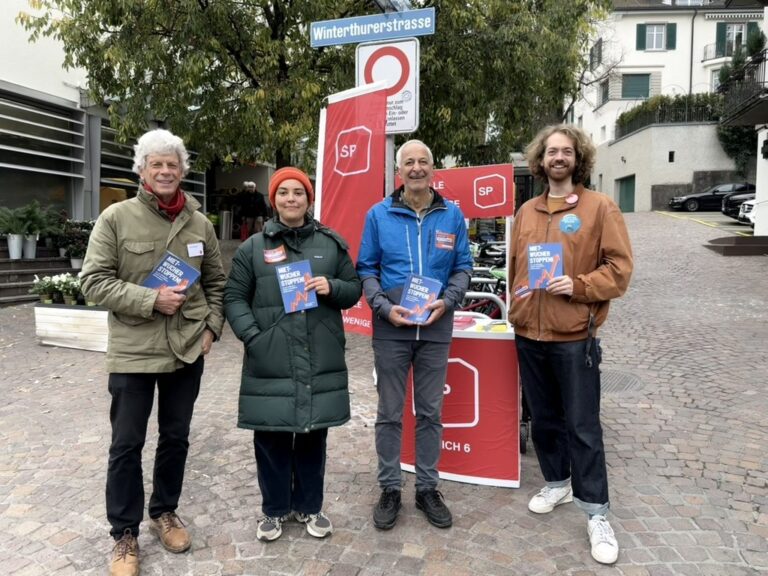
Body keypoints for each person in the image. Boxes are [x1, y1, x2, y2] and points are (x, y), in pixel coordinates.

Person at [80, 129, 226, 576]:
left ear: (182, 170)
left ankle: (164, 511)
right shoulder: (116, 218)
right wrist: (150, 299)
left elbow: (216, 282)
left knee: (176, 437)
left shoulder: (200, 224)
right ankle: (124, 533)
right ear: (141, 170)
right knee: (127, 444)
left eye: (172, 164)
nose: (165, 171)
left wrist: (211, 329)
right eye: (156, 164)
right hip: (134, 351)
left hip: (186, 349)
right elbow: (93, 282)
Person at [508, 124, 633, 565]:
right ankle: (557, 483)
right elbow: (516, 268)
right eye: (551, 151)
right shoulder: (527, 211)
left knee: (582, 426)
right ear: (540, 160)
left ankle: (596, 512)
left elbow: (619, 270)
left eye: (566, 151)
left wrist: (578, 286)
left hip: (575, 337)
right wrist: (516, 306)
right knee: (544, 421)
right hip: (529, 334)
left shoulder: (600, 208)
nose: (558, 158)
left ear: (578, 159)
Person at [224, 167, 361, 542]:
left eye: (298, 192)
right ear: (274, 200)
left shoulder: (330, 244)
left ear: (308, 198)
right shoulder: (254, 248)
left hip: (319, 356)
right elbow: (234, 297)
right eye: (283, 192)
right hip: (271, 357)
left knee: (313, 437)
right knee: (271, 438)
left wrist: (331, 286)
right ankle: (274, 510)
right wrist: (254, 337)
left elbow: (353, 289)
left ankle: (309, 506)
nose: (291, 198)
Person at [356, 139, 473, 530]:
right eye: (409, 162)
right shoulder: (378, 214)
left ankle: (427, 489)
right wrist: (384, 308)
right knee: (389, 413)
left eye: (423, 161)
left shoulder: (451, 216)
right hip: (392, 328)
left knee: (430, 413)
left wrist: (449, 300)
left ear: (433, 169)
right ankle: (390, 487)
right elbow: (366, 269)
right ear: (399, 170)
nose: (417, 168)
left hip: (436, 327)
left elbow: (463, 266)